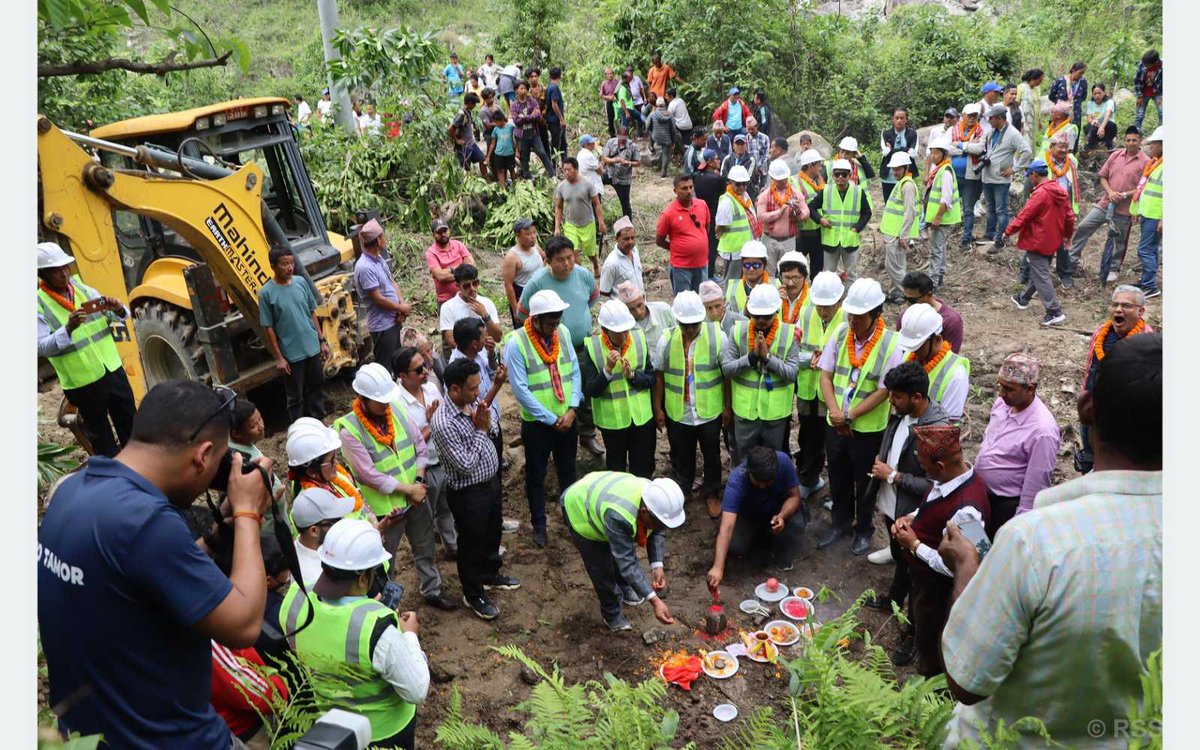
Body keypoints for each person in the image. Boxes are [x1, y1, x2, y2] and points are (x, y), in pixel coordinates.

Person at [939, 333, 1161, 748]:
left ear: (1086, 410)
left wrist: (968, 568)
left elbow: (967, 681)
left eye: (1009, 388)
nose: (1002, 394)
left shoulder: (1035, 544)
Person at [39, 380, 273, 747]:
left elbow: (135, 574)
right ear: (203, 455)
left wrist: (213, 537)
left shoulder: (73, 491)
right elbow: (243, 624)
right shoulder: (145, 521)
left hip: (94, 735)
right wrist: (247, 513)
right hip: (169, 740)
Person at [279, 518, 429, 748]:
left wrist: (364, 607)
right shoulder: (377, 629)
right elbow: (417, 690)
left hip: (332, 728)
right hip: (384, 733)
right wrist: (409, 635)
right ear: (362, 577)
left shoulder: (293, 601)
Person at [333, 364, 459, 611]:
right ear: (363, 398)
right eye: (379, 402)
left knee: (424, 546)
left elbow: (419, 447)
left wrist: (419, 482)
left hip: (416, 497)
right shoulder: (349, 430)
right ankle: (384, 606)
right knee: (383, 559)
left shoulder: (396, 410)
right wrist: (408, 490)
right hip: (387, 511)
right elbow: (369, 474)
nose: (385, 406)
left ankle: (431, 589)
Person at [860, 362, 952, 661]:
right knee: (900, 559)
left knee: (919, 578)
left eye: (896, 396)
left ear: (916, 397)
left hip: (916, 516)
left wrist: (893, 475)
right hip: (893, 507)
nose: (890, 401)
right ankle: (892, 599)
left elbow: (936, 484)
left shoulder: (937, 429)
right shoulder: (901, 414)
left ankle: (914, 636)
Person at [891, 424, 990, 677]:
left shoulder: (968, 511)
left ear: (941, 466)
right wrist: (912, 517)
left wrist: (914, 545)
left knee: (933, 640)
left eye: (924, 465)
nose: (923, 470)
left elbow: (969, 562)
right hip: (922, 583)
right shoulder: (946, 479)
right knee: (918, 616)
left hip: (939, 592)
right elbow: (932, 504)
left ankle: (931, 684)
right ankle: (914, 638)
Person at [816, 278, 902, 555]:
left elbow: (884, 390)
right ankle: (840, 524)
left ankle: (863, 529)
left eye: (858, 315)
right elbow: (826, 375)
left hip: (866, 430)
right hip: (836, 422)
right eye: (850, 313)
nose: (852, 319)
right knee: (838, 477)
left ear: (876, 314)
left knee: (865, 483)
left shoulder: (891, 344)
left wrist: (850, 416)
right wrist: (835, 412)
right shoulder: (841, 333)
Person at [430, 357, 518, 619]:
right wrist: (481, 430)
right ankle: (473, 593)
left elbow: (487, 427)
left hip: (489, 484)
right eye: (472, 387)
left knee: (492, 531)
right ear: (454, 389)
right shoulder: (443, 423)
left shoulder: (469, 404)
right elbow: (466, 465)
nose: (478, 392)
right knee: (471, 543)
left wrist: (485, 423)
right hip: (469, 493)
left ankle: (490, 572)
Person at [36, 241, 135, 457]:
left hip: (111, 370)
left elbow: (114, 318)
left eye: (65, 267)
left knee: (131, 426)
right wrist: (68, 329)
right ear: (43, 274)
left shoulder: (83, 289)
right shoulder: (38, 304)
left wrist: (118, 309)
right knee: (102, 439)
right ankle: (115, 479)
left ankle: (140, 471)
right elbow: (41, 347)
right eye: (56, 271)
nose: (64, 274)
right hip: (83, 383)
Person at [506, 288, 584, 549]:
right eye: (550, 322)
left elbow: (574, 370)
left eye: (557, 321)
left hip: (567, 418)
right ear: (536, 319)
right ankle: (540, 525)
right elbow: (521, 390)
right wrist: (552, 419)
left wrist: (573, 408)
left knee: (568, 471)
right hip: (539, 424)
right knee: (536, 475)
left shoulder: (562, 333)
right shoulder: (517, 343)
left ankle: (572, 520)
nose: (555, 327)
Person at [562, 471, 684, 631]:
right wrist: (654, 600)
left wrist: (657, 564)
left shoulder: (652, 496)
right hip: (580, 508)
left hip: (600, 493)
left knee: (618, 553)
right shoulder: (619, 516)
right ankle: (611, 613)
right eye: (660, 523)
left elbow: (657, 530)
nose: (662, 528)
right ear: (644, 512)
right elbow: (628, 563)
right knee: (601, 568)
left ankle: (625, 587)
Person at [654, 291, 731, 518]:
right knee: (683, 453)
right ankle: (684, 489)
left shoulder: (717, 337)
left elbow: (727, 376)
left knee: (711, 454)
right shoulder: (666, 339)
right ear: (677, 320)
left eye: (694, 324)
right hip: (680, 411)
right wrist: (658, 408)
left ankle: (712, 493)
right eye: (685, 324)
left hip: (709, 410)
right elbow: (659, 376)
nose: (690, 329)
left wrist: (728, 407)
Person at [973, 352, 1060, 535]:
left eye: (1009, 389)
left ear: (1030, 389)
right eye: (1001, 386)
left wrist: (1020, 526)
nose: (1001, 393)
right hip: (982, 495)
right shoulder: (1002, 404)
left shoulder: (1042, 431)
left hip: (1006, 507)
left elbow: (1035, 486)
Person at [1075, 285, 1153, 474]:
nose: (1118, 310)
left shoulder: (1148, 343)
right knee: (1090, 451)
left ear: (1140, 311)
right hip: (1094, 408)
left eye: (1126, 305)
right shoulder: (1100, 333)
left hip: (1126, 418)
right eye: (1115, 304)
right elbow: (1090, 369)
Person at [395, 346, 463, 561]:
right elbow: (408, 446)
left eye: (425, 365)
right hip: (421, 471)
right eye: (419, 369)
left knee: (447, 510)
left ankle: (452, 547)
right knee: (423, 526)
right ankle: (430, 583)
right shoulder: (396, 404)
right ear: (403, 376)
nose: (426, 371)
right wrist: (431, 423)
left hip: (442, 461)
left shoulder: (431, 388)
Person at [706, 446, 805, 591]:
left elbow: (794, 496)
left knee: (797, 525)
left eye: (768, 482)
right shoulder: (736, 481)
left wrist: (782, 516)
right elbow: (726, 527)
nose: (763, 486)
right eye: (758, 482)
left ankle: (777, 547)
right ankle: (759, 540)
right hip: (749, 515)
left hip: (776, 510)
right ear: (749, 472)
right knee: (735, 546)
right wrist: (717, 567)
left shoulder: (783, 462)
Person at [720, 283, 801, 457]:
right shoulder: (737, 331)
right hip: (745, 414)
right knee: (745, 461)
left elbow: (792, 373)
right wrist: (751, 357)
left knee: (772, 462)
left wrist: (768, 359)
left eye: (766, 317)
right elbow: (727, 369)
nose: (761, 321)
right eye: (757, 317)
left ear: (776, 312)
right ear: (749, 312)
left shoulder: (789, 334)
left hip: (775, 415)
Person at [582, 300, 657, 477]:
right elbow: (591, 390)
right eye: (618, 332)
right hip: (613, 424)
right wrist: (607, 370)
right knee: (617, 471)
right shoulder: (593, 348)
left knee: (644, 467)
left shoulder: (638, 339)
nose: (624, 335)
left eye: (626, 330)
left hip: (641, 419)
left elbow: (651, 377)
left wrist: (633, 376)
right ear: (605, 329)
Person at [1067, 127, 1148, 285]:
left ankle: (1113, 268)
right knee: (1084, 226)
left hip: (1125, 209)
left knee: (1120, 240)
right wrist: (1110, 192)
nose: (1130, 143)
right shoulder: (1116, 155)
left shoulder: (1145, 161)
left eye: (1134, 140)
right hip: (1105, 203)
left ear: (1140, 141)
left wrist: (1124, 195)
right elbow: (1103, 177)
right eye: (1128, 140)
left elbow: (1143, 186)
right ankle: (1072, 258)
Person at [260, 247, 328, 423]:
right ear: (273, 266)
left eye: (291, 263)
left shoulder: (300, 283)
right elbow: (268, 328)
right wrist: (279, 358)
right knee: (295, 396)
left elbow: (312, 313)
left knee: (316, 388)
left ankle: (319, 424)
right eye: (285, 264)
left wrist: (321, 340)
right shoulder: (266, 293)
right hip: (291, 355)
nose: (290, 267)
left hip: (312, 348)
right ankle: (299, 428)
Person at [793, 271, 844, 501]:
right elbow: (793, 349)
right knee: (808, 435)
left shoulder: (847, 320)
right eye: (820, 306)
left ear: (839, 302)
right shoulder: (805, 313)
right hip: (807, 387)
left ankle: (836, 489)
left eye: (828, 306)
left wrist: (828, 360)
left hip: (832, 393)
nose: (823, 311)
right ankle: (810, 478)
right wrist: (808, 358)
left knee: (832, 440)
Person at [1006, 159, 1075, 326]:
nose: (1029, 180)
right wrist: (1066, 236)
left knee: (1042, 274)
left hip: (1037, 240)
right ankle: (1023, 299)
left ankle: (1054, 312)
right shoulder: (1060, 191)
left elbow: (1025, 215)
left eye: (1029, 177)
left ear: (1035, 175)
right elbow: (1070, 217)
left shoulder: (1040, 193)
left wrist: (1008, 231)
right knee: (1039, 270)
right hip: (1052, 239)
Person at [353, 219, 412, 374]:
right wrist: (400, 308)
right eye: (383, 236)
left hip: (394, 320)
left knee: (399, 363)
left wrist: (401, 308)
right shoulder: (365, 267)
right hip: (383, 326)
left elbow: (392, 283)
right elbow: (378, 299)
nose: (385, 239)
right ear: (378, 240)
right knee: (386, 369)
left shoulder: (379, 260)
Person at [896, 304, 969, 421]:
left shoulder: (956, 375)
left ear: (937, 339)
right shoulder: (909, 356)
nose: (914, 350)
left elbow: (947, 425)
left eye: (918, 346)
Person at [228, 399, 287, 533]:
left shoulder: (242, 442)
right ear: (236, 433)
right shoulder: (240, 460)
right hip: (268, 530)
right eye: (253, 426)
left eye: (260, 419)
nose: (261, 426)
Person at [809, 158, 872, 285]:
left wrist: (857, 228)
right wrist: (820, 220)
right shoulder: (826, 191)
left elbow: (867, 213)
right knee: (828, 274)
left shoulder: (857, 192)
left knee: (851, 274)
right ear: (833, 175)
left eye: (844, 174)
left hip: (850, 239)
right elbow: (811, 207)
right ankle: (829, 301)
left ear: (849, 175)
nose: (840, 177)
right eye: (837, 174)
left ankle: (850, 300)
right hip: (830, 240)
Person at [981, 105, 1032, 252]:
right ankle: (990, 234)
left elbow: (1026, 151)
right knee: (990, 208)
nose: (989, 120)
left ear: (999, 118)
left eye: (991, 118)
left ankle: (1000, 240)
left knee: (1001, 210)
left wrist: (1014, 169)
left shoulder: (1013, 134)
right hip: (988, 176)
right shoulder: (992, 131)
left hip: (1000, 179)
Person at [1034, 132, 1081, 288]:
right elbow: (1032, 184)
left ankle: (1065, 274)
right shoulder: (1041, 162)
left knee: (1064, 242)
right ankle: (1030, 274)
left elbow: (1073, 186)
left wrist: (1073, 210)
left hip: (1065, 208)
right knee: (1041, 241)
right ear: (1051, 146)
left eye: (1066, 147)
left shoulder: (1072, 161)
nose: (1063, 150)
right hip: (1046, 209)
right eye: (1060, 147)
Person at [655, 173, 712, 293]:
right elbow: (659, 240)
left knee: (701, 300)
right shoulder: (668, 213)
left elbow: (706, 228)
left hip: (702, 264)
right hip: (681, 268)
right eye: (684, 188)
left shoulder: (702, 205)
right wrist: (677, 248)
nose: (689, 191)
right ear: (675, 191)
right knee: (683, 303)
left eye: (691, 187)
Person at [291, 487, 357, 587]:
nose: (341, 523)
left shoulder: (303, 545)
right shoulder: (314, 578)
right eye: (335, 521)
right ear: (314, 531)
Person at [555, 157, 606, 277]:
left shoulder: (587, 184)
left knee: (590, 251)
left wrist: (601, 222)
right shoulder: (561, 187)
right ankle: (581, 275)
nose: (566, 173)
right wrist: (557, 227)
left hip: (587, 223)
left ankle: (595, 265)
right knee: (573, 251)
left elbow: (596, 204)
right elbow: (559, 207)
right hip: (571, 224)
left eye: (569, 170)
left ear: (576, 169)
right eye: (564, 170)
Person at [922, 135, 962, 290]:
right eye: (932, 153)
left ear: (944, 154)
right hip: (941, 218)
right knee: (941, 248)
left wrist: (937, 217)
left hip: (943, 218)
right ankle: (939, 276)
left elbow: (945, 199)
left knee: (936, 250)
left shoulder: (945, 172)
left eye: (936, 153)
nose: (933, 156)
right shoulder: (938, 170)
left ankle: (932, 282)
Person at [879, 152, 919, 301]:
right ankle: (896, 293)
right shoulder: (902, 183)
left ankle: (907, 293)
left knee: (893, 267)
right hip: (894, 232)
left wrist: (903, 234)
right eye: (893, 169)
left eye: (898, 169)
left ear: (906, 168)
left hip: (897, 234)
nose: (894, 172)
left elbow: (910, 212)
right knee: (898, 265)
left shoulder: (907, 185)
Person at [437, 264, 502, 353]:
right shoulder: (448, 307)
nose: (472, 288)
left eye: (475, 283)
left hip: (487, 359)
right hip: (462, 360)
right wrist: (482, 339)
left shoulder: (487, 303)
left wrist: (485, 316)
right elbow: (452, 342)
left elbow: (498, 337)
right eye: (466, 286)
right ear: (457, 286)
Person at [1130, 126, 1163, 299]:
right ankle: (1147, 280)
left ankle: (1150, 286)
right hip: (1148, 213)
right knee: (1151, 249)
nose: (1151, 147)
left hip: (1155, 215)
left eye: (1154, 144)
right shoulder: (1156, 163)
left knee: (1144, 250)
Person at [757, 159, 807, 273]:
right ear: (772, 178)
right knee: (768, 273)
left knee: (788, 272)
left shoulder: (795, 193)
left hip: (789, 240)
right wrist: (780, 212)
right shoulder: (764, 195)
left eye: (784, 179)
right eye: (778, 179)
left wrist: (799, 212)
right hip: (769, 240)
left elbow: (806, 213)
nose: (782, 182)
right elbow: (760, 216)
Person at [949, 104, 986, 250]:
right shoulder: (954, 129)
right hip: (952, 175)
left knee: (968, 209)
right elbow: (947, 148)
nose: (971, 118)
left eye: (974, 116)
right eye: (969, 115)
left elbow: (979, 149)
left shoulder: (981, 132)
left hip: (971, 177)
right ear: (963, 115)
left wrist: (959, 145)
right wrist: (967, 147)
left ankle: (966, 238)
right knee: (946, 203)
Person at [899, 272, 963, 353]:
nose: (907, 303)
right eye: (904, 298)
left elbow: (950, 357)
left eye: (912, 300)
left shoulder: (951, 321)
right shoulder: (905, 316)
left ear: (929, 295)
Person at [714, 165, 759, 281]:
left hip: (747, 249)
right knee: (732, 281)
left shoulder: (745, 196)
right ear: (730, 183)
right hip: (734, 251)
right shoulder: (727, 201)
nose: (742, 187)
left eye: (744, 184)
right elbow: (719, 226)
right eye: (738, 184)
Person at [616, 281, 676, 366]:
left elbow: (678, 335)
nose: (638, 312)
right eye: (631, 309)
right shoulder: (621, 327)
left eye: (639, 305)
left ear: (644, 298)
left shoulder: (663, 310)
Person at [502, 218, 546, 325]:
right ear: (518, 235)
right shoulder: (512, 257)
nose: (532, 236)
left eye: (534, 233)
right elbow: (508, 285)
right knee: (527, 328)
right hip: (523, 294)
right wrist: (515, 308)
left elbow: (545, 258)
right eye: (528, 234)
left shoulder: (535, 247)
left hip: (539, 291)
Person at [425, 218, 475, 308]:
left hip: (466, 296)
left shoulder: (458, 245)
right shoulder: (431, 253)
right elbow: (441, 276)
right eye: (439, 232)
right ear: (433, 234)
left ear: (449, 230)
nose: (443, 234)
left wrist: (450, 271)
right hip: (446, 301)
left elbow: (472, 266)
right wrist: (463, 269)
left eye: (445, 230)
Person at [692, 150, 727, 278]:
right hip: (713, 214)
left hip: (699, 213)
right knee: (712, 245)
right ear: (710, 162)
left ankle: (701, 271)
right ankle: (710, 274)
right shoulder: (718, 179)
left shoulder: (696, 176)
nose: (719, 161)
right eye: (717, 159)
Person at [512, 81, 555, 179]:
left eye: (525, 88)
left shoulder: (532, 101)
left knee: (542, 153)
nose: (523, 90)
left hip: (534, 133)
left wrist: (525, 117)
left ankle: (552, 175)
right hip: (522, 135)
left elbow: (538, 115)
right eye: (521, 88)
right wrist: (530, 116)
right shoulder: (514, 105)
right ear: (516, 90)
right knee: (524, 157)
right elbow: (516, 121)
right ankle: (528, 178)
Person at [794, 149, 827, 276]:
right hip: (802, 232)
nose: (820, 168)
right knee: (797, 266)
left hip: (819, 231)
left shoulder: (820, 180)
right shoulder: (795, 182)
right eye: (818, 165)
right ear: (809, 166)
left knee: (818, 268)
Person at [723, 240, 776, 315]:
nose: (751, 269)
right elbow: (727, 319)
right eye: (747, 265)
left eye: (756, 265)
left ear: (764, 265)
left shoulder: (776, 287)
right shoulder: (732, 288)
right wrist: (744, 313)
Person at [880, 108, 919, 203]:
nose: (899, 121)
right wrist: (906, 149)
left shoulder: (913, 134)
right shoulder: (885, 133)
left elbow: (913, 154)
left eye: (902, 118)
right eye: (896, 118)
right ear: (892, 119)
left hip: (907, 175)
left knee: (907, 202)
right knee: (889, 203)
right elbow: (885, 152)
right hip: (888, 176)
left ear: (906, 119)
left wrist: (892, 150)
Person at [602, 126, 640, 220]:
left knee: (625, 204)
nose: (622, 141)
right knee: (595, 184)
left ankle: (628, 224)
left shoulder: (633, 146)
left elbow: (638, 162)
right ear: (617, 135)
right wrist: (615, 160)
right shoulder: (611, 142)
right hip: (609, 173)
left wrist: (629, 163)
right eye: (620, 138)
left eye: (624, 138)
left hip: (623, 179)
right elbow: (604, 158)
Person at [601, 215, 645, 298]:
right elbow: (604, 291)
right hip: (624, 309)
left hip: (641, 304)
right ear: (616, 238)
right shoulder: (611, 263)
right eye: (626, 238)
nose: (630, 242)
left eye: (633, 238)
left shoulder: (635, 251)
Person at [449, 92, 486, 177]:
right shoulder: (461, 115)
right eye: (474, 104)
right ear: (469, 103)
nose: (475, 106)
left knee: (482, 159)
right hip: (464, 147)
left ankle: (486, 178)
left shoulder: (468, 112)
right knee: (466, 168)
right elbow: (450, 128)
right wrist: (457, 140)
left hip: (471, 143)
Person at [1049, 61, 1088, 139]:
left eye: (1083, 73)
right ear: (1073, 71)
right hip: (1060, 115)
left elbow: (1083, 97)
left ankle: (1072, 151)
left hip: (1075, 113)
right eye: (1080, 73)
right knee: (1057, 136)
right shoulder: (1060, 81)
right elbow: (1051, 96)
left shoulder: (1083, 82)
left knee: (1073, 134)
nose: (1081, 75)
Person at [1133, 49, 1163, 133]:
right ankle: (1136, 133)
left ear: (1155, 62)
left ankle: (1161, 133)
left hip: (1158, 93)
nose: (1145, 66)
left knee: (1162, 112)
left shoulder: (1162, 66)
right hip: (1143, 92)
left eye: (1147, 64)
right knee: (1139, 114)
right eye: (1144, 63)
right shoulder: (1141, 65)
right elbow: (1137, 80)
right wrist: (1139, 96)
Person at [486, 109, 516, 188]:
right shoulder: (496, 129)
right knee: (501, 171)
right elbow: (493, 143)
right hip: (499, 154)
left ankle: (516, 186)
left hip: (510, 153)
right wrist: (488, 155)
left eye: (496, 122)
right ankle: (503, 188)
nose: (495, 124)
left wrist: (517, 150)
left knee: (512, 169)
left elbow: (515, 139)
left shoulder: (510, 127)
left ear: (502, 119)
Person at [1016, 69, 1045, 151]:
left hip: (1034, 121)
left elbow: (1038, 105)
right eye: (1040, 80)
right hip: (1024, 121)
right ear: (1034, 78)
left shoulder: (1037, 89)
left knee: (1032, 142)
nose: (1040, 82)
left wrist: (1039, 120)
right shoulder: (1021, 87)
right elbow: (1016, 104)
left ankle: (1030, 161)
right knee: (1025, 142)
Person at [1083, 83, 1117, 150]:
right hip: (1096, 128)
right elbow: (1089, 118)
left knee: (1110, 125)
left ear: (1104, 93)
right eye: (1095, 94)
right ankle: (1091, 144)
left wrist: (1102, 127)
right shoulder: (1090, 103)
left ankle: (1109, 143)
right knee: (1087, 127)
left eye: (1099, 93)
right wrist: (1093, 121)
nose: (1097, 95)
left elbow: (1108, 115)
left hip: (1107, 128)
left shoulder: (1109, 102)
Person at [647, 98, 676, 175]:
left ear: (656, 105)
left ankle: (651, 146)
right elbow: (673, 130)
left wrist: (652, 130)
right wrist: (673, 141)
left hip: (655, 137)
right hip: (667, 139)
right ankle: (664, 173)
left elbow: (647, 126)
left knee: (650, 131)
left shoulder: (652, 114)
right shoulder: (669, 115)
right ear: (665, 105)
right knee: (665, 154)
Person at [745, 117, 771, 200]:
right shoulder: (746, 139)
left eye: (752, 129)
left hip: (762, 170)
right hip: (751, 171)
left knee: (763, 190)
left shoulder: (765, 138)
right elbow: (747, 155)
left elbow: (766, 155)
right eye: (749, 129)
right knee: (752, 192)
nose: (750, 131)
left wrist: (758, 167)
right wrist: (753, 169)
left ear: (757, 126)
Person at [545, 67, 567, 164]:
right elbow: (554, 104)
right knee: (557, 144)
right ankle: (555, 166)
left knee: (562, 144)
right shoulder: (554, 88)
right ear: (559, 76)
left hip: (552, 120)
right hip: (555, 121)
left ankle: (564, 164)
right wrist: (561, 119)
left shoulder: (549, 87)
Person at [577, 134, 605, 207]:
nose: (594, 144)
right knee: (596, 211)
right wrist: (601, 163)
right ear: (586, 145)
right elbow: (600, 170)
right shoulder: (588, 155)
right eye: (592, 143)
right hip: (593, 188)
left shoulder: (580, 154)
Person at [665, 87, 693, 154]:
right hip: (689, 124)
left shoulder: (671, 105)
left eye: (666, 96)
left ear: (671, 96)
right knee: (688, 143)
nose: (666, 98)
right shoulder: (681, 100)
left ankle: (673, 145)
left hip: (680, 126)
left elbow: (668, 117)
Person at [599, 67, 620, 138]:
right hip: (609, 103)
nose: (610, 75)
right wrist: (609, 97)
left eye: (611, 73)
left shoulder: (616, 81)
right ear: (605, 75)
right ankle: (612, 136)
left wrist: (616, 97)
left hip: (617, 102)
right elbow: (601, 95)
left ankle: (621, 134)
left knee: (618, 118)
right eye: (608, 74)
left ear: (613, 74)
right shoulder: (604, 84)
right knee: (610, 119)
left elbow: (620, 91)